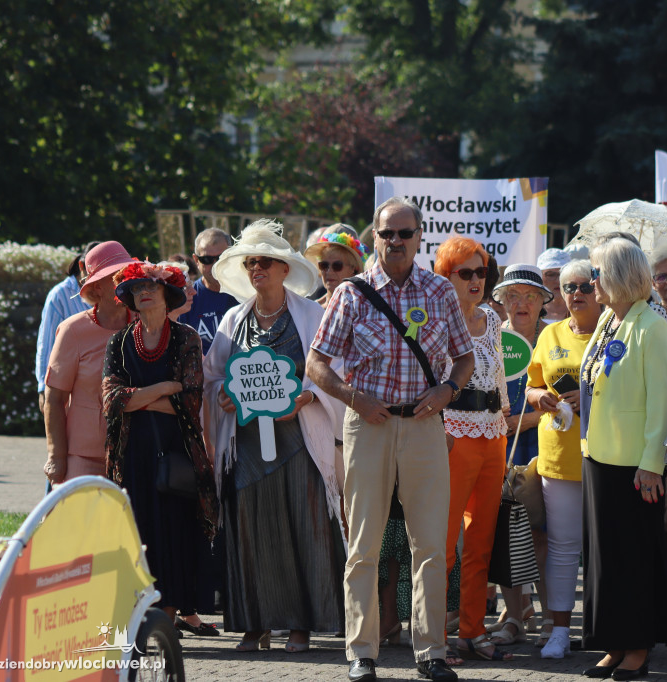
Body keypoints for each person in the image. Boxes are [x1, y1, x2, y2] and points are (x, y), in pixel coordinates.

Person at [307, 196, 474, 682]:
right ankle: (362, 652)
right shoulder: (352, 293)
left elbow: (463, 359)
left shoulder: (441, 291)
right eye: (387, 234)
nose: (396, 241)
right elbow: (316, 363)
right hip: (369, 425)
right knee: (364, 544)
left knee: (430, 545)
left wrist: (448, 389)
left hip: (424, 425)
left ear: (421, 237)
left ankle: (432, 653)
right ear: (374, 238)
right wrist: (352, 397)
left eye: (405, 233)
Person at [203, 220, 345, 653]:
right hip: (246, 446)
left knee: (304, 527)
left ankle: (301, 623)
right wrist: (225, 395)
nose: (257, 268)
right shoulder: (233, 319)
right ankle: (255, 623)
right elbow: (212, 376)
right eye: (250, 262)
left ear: (285, 268)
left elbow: (334, 370)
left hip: (299, 442)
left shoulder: (312, 316)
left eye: (265, 261)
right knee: (251, 530)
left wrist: (306, 396)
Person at [102, 260, 219, 635]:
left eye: (150, 287)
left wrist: (138, 398)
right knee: (138, 529)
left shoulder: (187, 338)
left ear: (168, 295)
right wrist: (164, 388)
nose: (143, 293)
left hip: (176, 451)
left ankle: (168, 616)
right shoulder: (119, 342)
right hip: (131, 452)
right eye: (136, 289)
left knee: (175, 530)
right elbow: (111, 400)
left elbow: (189, 402)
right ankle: (136, 614)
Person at [580, 238, 667, 681]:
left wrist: (652, 462)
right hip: (599, 456)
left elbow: (662, 402)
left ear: (618, 275)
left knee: (634, 556)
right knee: (605, 559)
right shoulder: (607, 321)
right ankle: (614, 642)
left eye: (597, 273)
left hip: (635, 463)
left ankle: (638, 646)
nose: (590, 282)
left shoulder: (652, 325)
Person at [429, 236, 512, 663]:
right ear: (446, 275)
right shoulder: (431, 321)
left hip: (492, 434)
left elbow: (497, 376)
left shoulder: (492, 320)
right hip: (451, 435)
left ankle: (473, 629)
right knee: (441, 545)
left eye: (482, 272)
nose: (477, 280)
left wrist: (505, 420)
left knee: (480, 543)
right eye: (466, 272)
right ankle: (432, 639)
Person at [525, 258, 600, 660]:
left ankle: (607, 627)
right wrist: (542, 398)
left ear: (601, 288)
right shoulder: (550, 333)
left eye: (585, 286)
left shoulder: (614, 332)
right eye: (569, 287)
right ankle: (558, 630)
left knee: (606, 548)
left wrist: (589, 401)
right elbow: (532, 388)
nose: (576, 294)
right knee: (563, 546)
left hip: (608, 456)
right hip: (558, 457)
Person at [488, 264, 552, 647]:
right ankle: (515, 616)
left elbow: (565, 405)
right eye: (512, 295)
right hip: (498, 450)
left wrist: (522, 423)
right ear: (501, 302)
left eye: (530, 296)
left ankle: (551, 620)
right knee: (505, 534)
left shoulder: (555, 338)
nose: (521, 303)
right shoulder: (492, 341)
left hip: (546, 449)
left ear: (542, 302)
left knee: (544, 537)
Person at [43, 241, 133, 483]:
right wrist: (56, 456)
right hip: (83, 456)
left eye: (127, 274)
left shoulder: (143, 325)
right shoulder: (73, 330)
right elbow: (54, 398)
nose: (124, 281)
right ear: (96, 288)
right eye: (115, 276)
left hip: (135, 453)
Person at [35, 241, 97, 414]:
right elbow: (46, 343)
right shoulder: (59, 295)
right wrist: (43, 388)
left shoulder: (109, 292)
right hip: (66, 384)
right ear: (82, 266)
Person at [179, 228, 238, 355]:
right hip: (204, 373)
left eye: (221, 258)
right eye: (207, 260)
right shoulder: (188, 298)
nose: (215, 265)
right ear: (196, 260)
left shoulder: (248, 292)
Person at [304, 224, 367, 305]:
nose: (329, 272)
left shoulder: (363, 309)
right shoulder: (309, 310)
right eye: (324, 265)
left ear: (354, 269)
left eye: (337, 266)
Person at [537, 248, 571, 323]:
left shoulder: (582, 309)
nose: (558, 280)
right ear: (540, 277)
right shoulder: (531, 311)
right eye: (551, 275)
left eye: (563, 274)